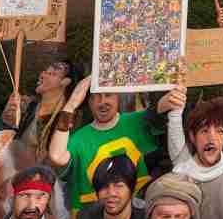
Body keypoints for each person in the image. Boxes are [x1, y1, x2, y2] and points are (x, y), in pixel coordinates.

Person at [49, 80, 162, 209]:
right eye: (95, 96)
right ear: (89, 103)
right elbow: (56, 157)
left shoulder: (138, 121)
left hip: (136, 217)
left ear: (118, 98)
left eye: (108, 95)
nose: (102, 102)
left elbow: (164, 107)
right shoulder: (79, 139)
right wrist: (71, 104)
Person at [163, 89, 223, 219]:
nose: (211, 138)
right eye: (204, 131)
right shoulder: (181, 175)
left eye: (219, 131)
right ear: (192, 137)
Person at [74, 154, 150, 219]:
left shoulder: (147, 216)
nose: (111, 193)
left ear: (132, 190)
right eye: (104, 187)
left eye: (119, 186)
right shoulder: (85, 217)